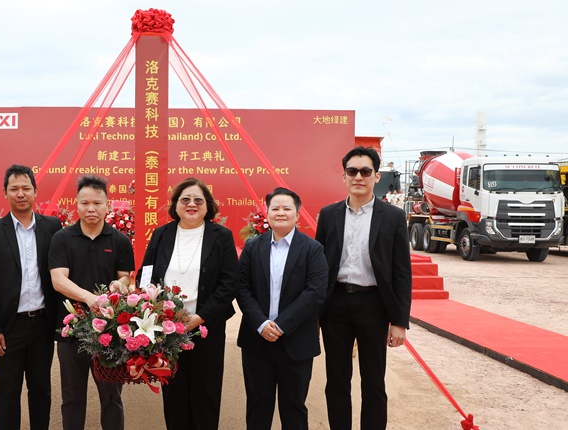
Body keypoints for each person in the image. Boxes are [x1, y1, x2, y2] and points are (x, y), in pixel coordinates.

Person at [315, 146, 412, 430]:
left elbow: (402, 272)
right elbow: (319, 267)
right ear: (344, 176)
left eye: (365, 171)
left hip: (374, 306)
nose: (358, 177)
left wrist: (399, 322)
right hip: (335, 306)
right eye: (352, 171)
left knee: (373, 382)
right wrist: (315, 313)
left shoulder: (393, 216)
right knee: (336, 381)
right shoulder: (329, 214)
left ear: (376, 176)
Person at [137, 177, 239, 430]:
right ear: (175, 205)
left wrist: (199, 318)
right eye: (185, 199)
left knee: (206, 394)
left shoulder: (221, 236)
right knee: (174, 394)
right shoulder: (161, 234)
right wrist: (154, 305)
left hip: (206, 327)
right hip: (167, 330)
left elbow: (229, 283)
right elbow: (145, 275)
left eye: (198, 200)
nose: (191, 204)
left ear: (208, 206)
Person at [0, 165, 62, 430]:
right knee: (8, 391)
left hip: (42, 325)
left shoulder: (52, 227)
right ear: (5, 193)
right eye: (14, 189)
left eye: (26, 188)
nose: (21, 193)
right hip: (8, 327)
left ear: (35, 191)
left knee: (41, 390)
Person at [236, 187, 328, 430]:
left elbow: (315, 292)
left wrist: (281, 325)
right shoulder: (252, 247)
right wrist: (261, 324)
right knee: (257, 405)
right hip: (257, 341)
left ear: (297, 214)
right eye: (275, 208)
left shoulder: (313, 249)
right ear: (267, 213)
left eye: (287, 208)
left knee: (294, 407)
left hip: (296, 341)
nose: (280, 213)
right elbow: (242, 289)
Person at [49, 174, 135, 430]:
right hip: (71, 333)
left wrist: (119, 285)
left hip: (110, 335)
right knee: (72, 398)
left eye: (97, 203)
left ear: (107, 205)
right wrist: (89, 298)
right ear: (76, 204)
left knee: (112, 399)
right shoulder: (62, 238)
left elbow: (125, 277)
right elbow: (58, 280)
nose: (91, 208)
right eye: (85, 203)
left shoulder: (119, 240)